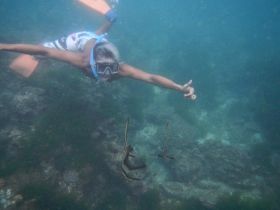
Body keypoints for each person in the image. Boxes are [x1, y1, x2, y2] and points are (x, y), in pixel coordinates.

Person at [0, 0, 196, 100]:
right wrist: (5, 46)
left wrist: (179, 88)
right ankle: (110, 14)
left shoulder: (118, 68)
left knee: (104, 28)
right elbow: (41, 51)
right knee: (43, 53)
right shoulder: (83, 61)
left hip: (96, 38)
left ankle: (111, 14)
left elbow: (152, 78)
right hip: (76, 41)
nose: (109, 78)